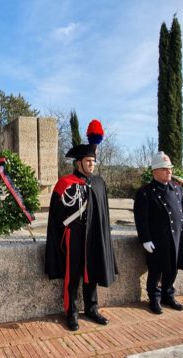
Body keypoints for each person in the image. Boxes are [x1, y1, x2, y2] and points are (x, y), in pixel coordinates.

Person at [45, 119, 117, 331]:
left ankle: (92, 308)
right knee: (73, 274)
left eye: (93, 162)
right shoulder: (64, 183)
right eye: (87, 161)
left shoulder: (98, 183)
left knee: (91, 271)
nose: (91, 165)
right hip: (73, 236)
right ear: (78, 163)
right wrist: (60, 238)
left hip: (93, 235)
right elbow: (56, 216)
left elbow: (103, 213)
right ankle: (72, 311)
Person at [133, 152, 183, 315]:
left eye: (170, 168)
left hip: (176, 236)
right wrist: (145, 239)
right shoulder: (145, 192)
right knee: (156, 270)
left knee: (173, 269)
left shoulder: (177, 189)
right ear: (155, 172)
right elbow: (141, 218)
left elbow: (182, 213)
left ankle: (168, 295)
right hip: (158, 239)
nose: (169, 171)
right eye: (164, 169)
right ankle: (154, 298)